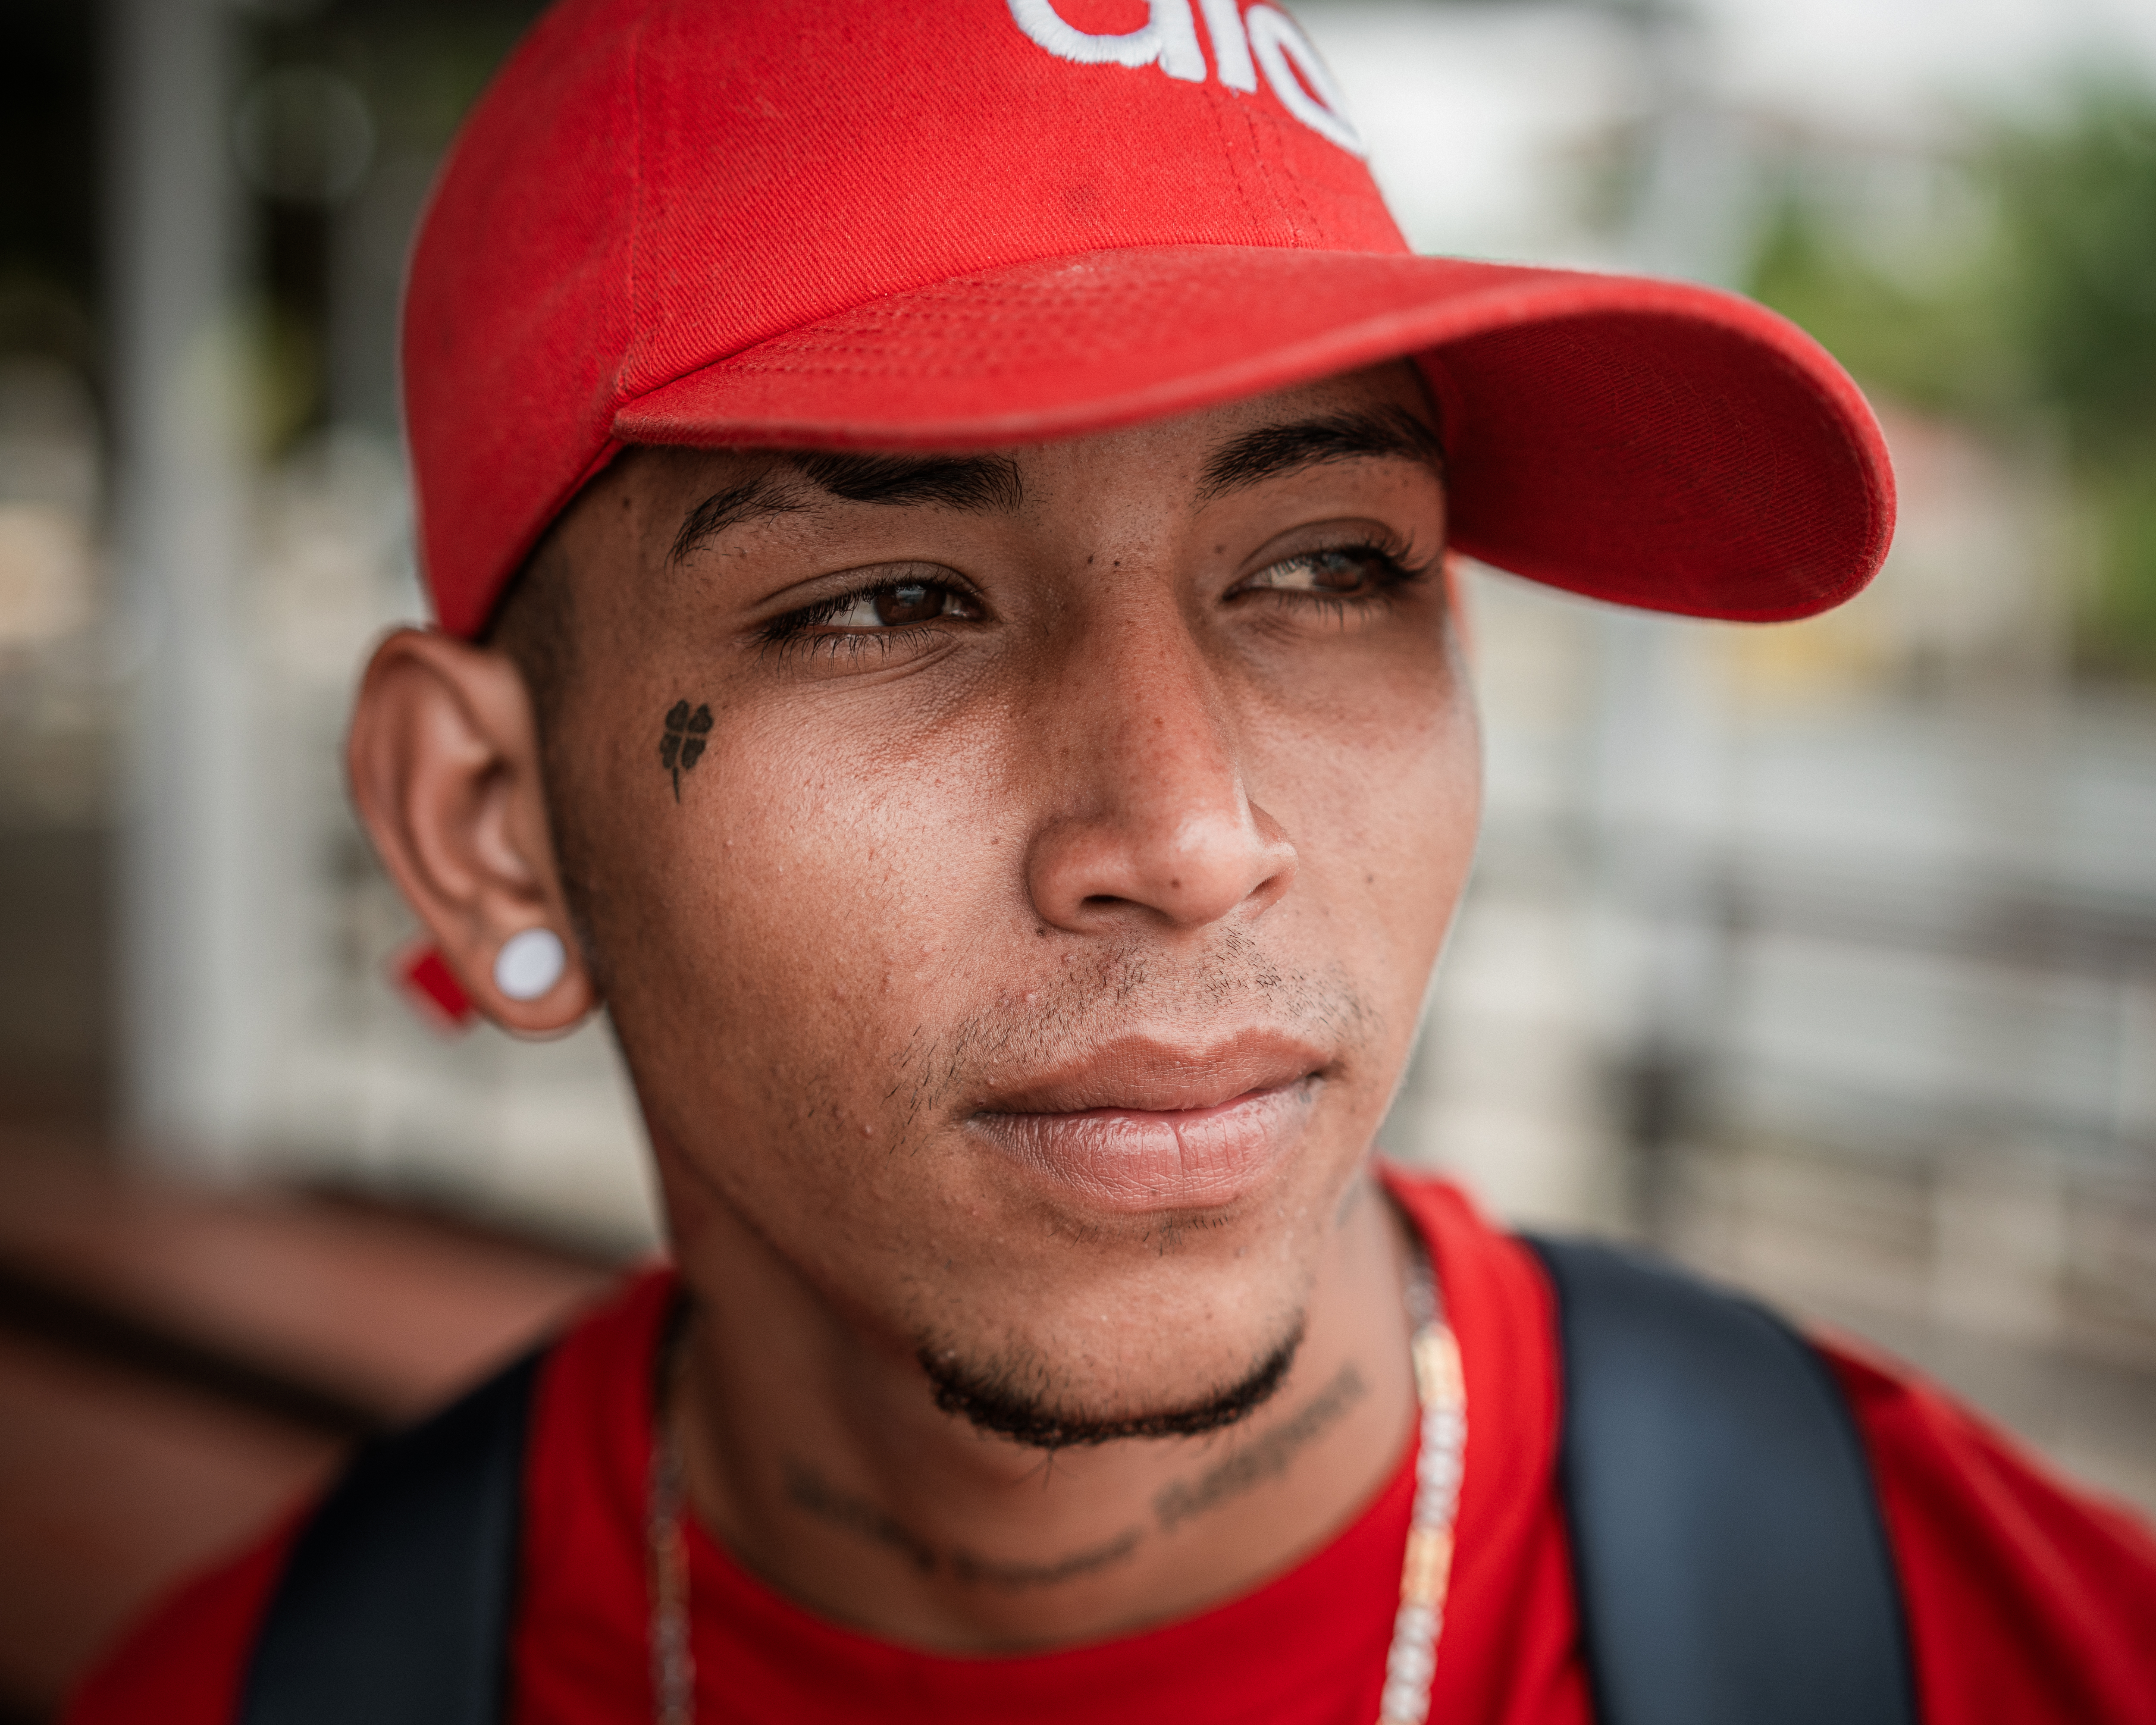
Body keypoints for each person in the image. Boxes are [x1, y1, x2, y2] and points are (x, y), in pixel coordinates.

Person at [71, 2, 2156, 1722]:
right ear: (488, 826)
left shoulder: (2013, 1646)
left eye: (1329, 564)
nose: (1182, 836)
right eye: (884, 602)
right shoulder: (264, 1684)